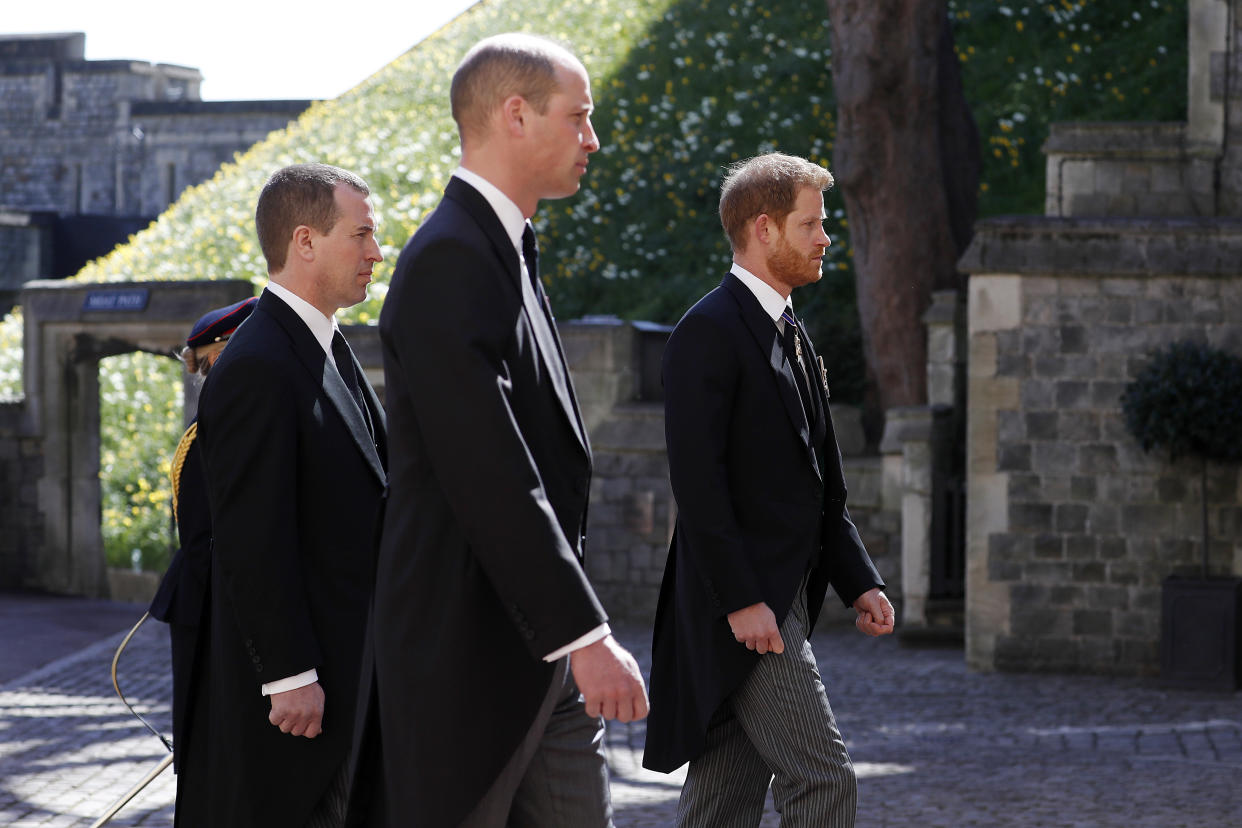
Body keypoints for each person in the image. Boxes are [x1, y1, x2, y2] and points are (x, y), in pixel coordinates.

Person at [349, 33, 647, 827]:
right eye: (578, 117)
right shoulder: (450, 258)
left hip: (536, 657)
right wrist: (585, 634)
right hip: (466, 658)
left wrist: (572, 636)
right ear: (516, 115)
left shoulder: (506, 249)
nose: (593, 139)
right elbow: (489, 468)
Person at [642, 152, 895, 827]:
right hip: (748, 607)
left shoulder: (794, 334)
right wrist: (744, 599)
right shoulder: (707, 332)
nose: (824, 238)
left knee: (723, 799)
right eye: (810, 224)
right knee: (824, 780)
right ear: (764, 228)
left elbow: (821, 485)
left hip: (780, 599)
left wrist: (859, 579)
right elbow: (699, 485)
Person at [194, 163, 388, 827]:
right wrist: (288, 674)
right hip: (305, 700)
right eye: (361, 235)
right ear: (304, 241)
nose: (376, 253)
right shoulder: (259, 364)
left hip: (352, 674)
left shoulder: (324, 343)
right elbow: (252, 534)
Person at [147, 294, 257, 827]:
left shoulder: (218, 426)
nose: (208, 376)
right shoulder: (212, 430)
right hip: (205, 601)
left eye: (211, 364)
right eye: (207, 367)